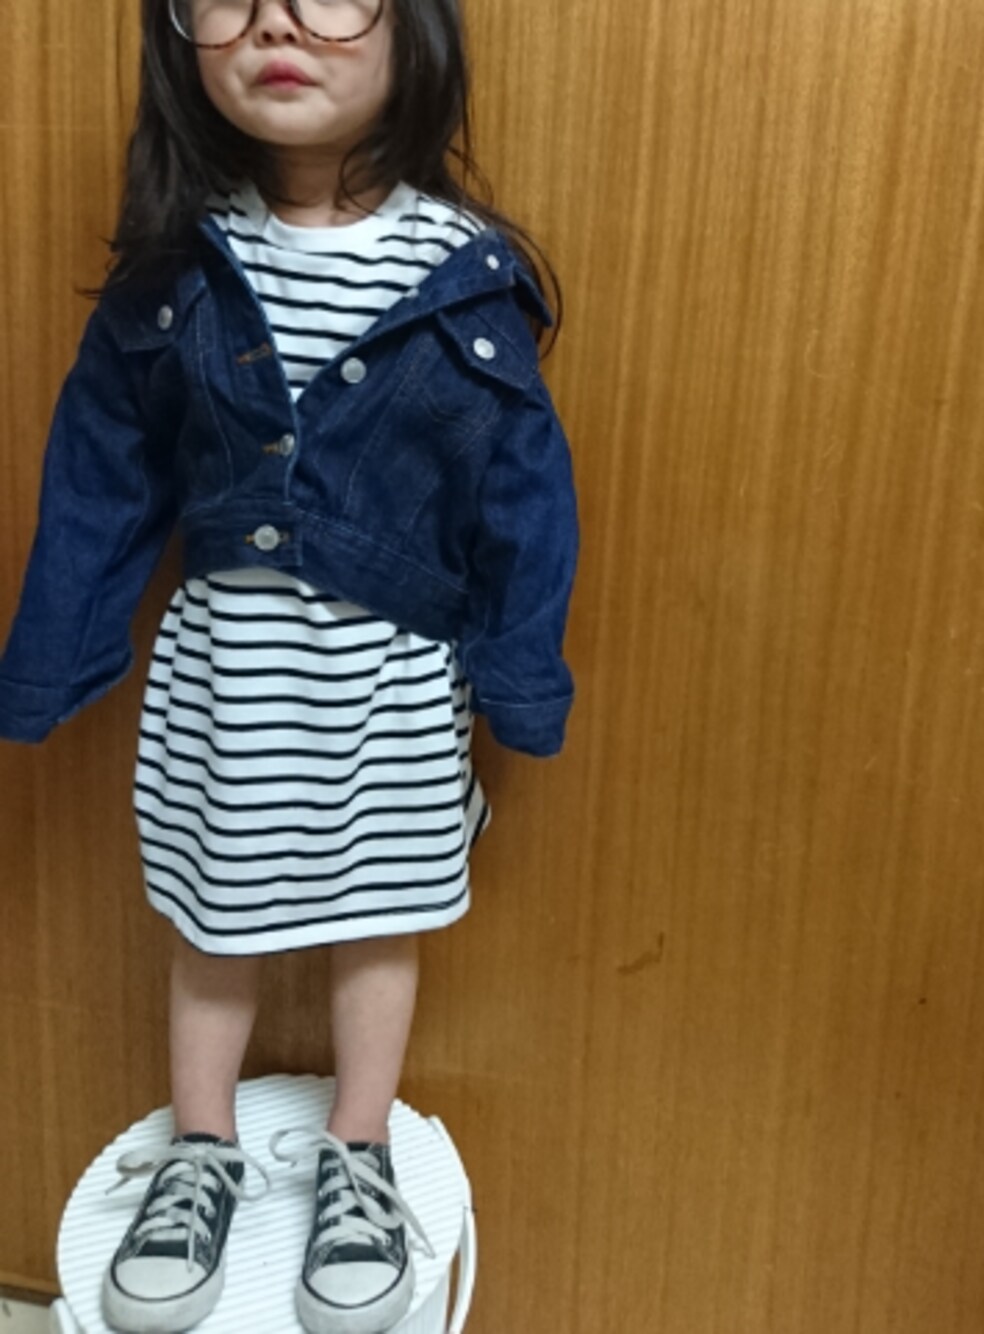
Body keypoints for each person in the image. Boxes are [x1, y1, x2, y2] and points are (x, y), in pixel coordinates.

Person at [0, 0, 578, 1330]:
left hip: (393, 677)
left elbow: (526, 495)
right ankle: (199, 1148)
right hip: (228, 671)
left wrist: (519, 674)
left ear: (415, 33)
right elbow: (99, 471)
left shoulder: (467, 274)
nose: (278, 24)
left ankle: (358, 1153)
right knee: (216, 916)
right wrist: (52, 653)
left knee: (385, 911)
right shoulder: (176, 267)